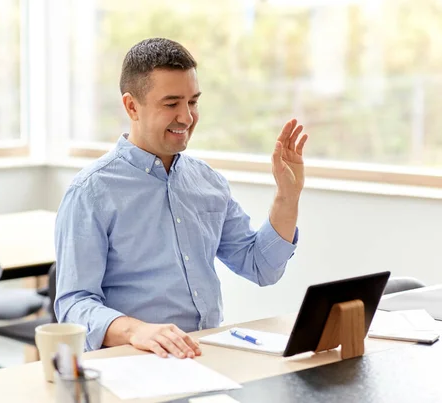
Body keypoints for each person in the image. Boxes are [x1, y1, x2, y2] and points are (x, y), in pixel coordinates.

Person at [54, 37, 308, 359]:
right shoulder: (91, 192)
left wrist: (288, 196)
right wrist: (138, 331)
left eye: (193, 102)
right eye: (171, 103)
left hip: (207, 353)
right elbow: (73, 305)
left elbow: (261, 267)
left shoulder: (208, 182)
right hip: (134, 359)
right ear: (132, 106)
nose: (187, 117)